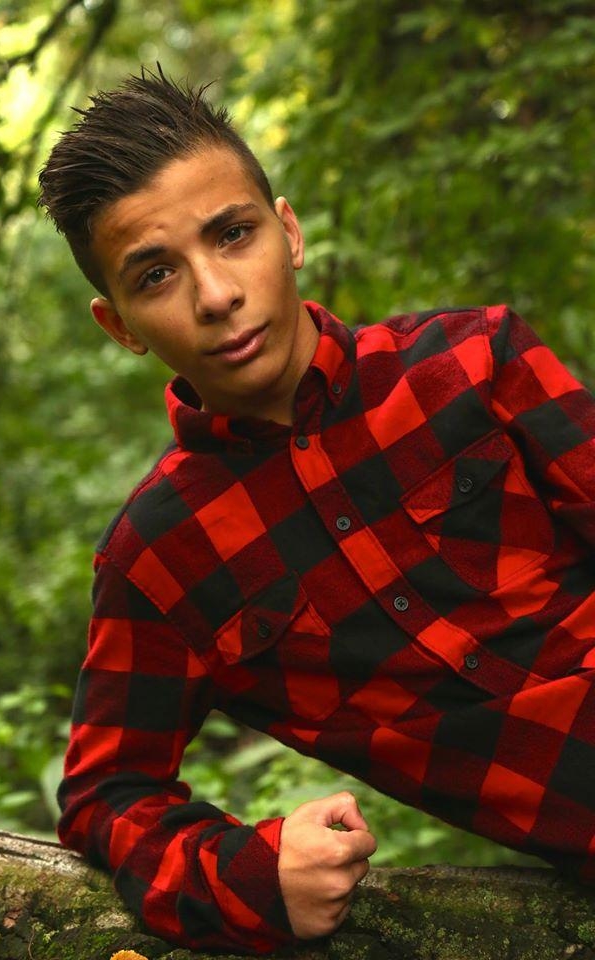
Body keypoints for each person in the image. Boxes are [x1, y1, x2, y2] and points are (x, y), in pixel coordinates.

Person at [38, 66, 595, 954]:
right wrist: (254, 876)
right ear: (121, 326)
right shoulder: (163, 557)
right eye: (156, 274)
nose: (216, 294)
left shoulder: (473, 362)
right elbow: (105, 796)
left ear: (288, 232)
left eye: (233, 235)